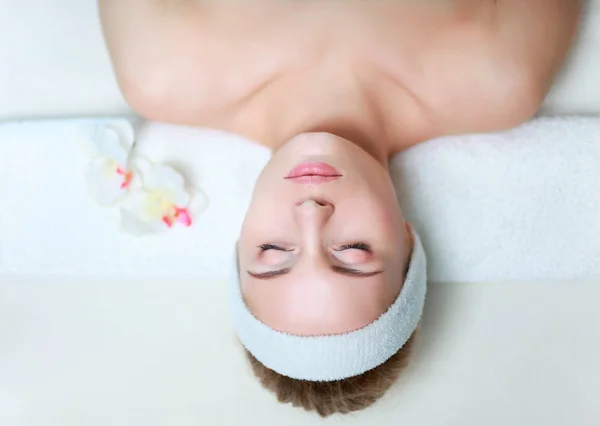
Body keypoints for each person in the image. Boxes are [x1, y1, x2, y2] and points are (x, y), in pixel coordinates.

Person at [99, 0, 582, 416]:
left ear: (241, 238)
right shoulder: (497, 74)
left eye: (273, 251)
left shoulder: (162, 68)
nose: (311, 213)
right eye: (352, 250)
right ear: (408, 241)